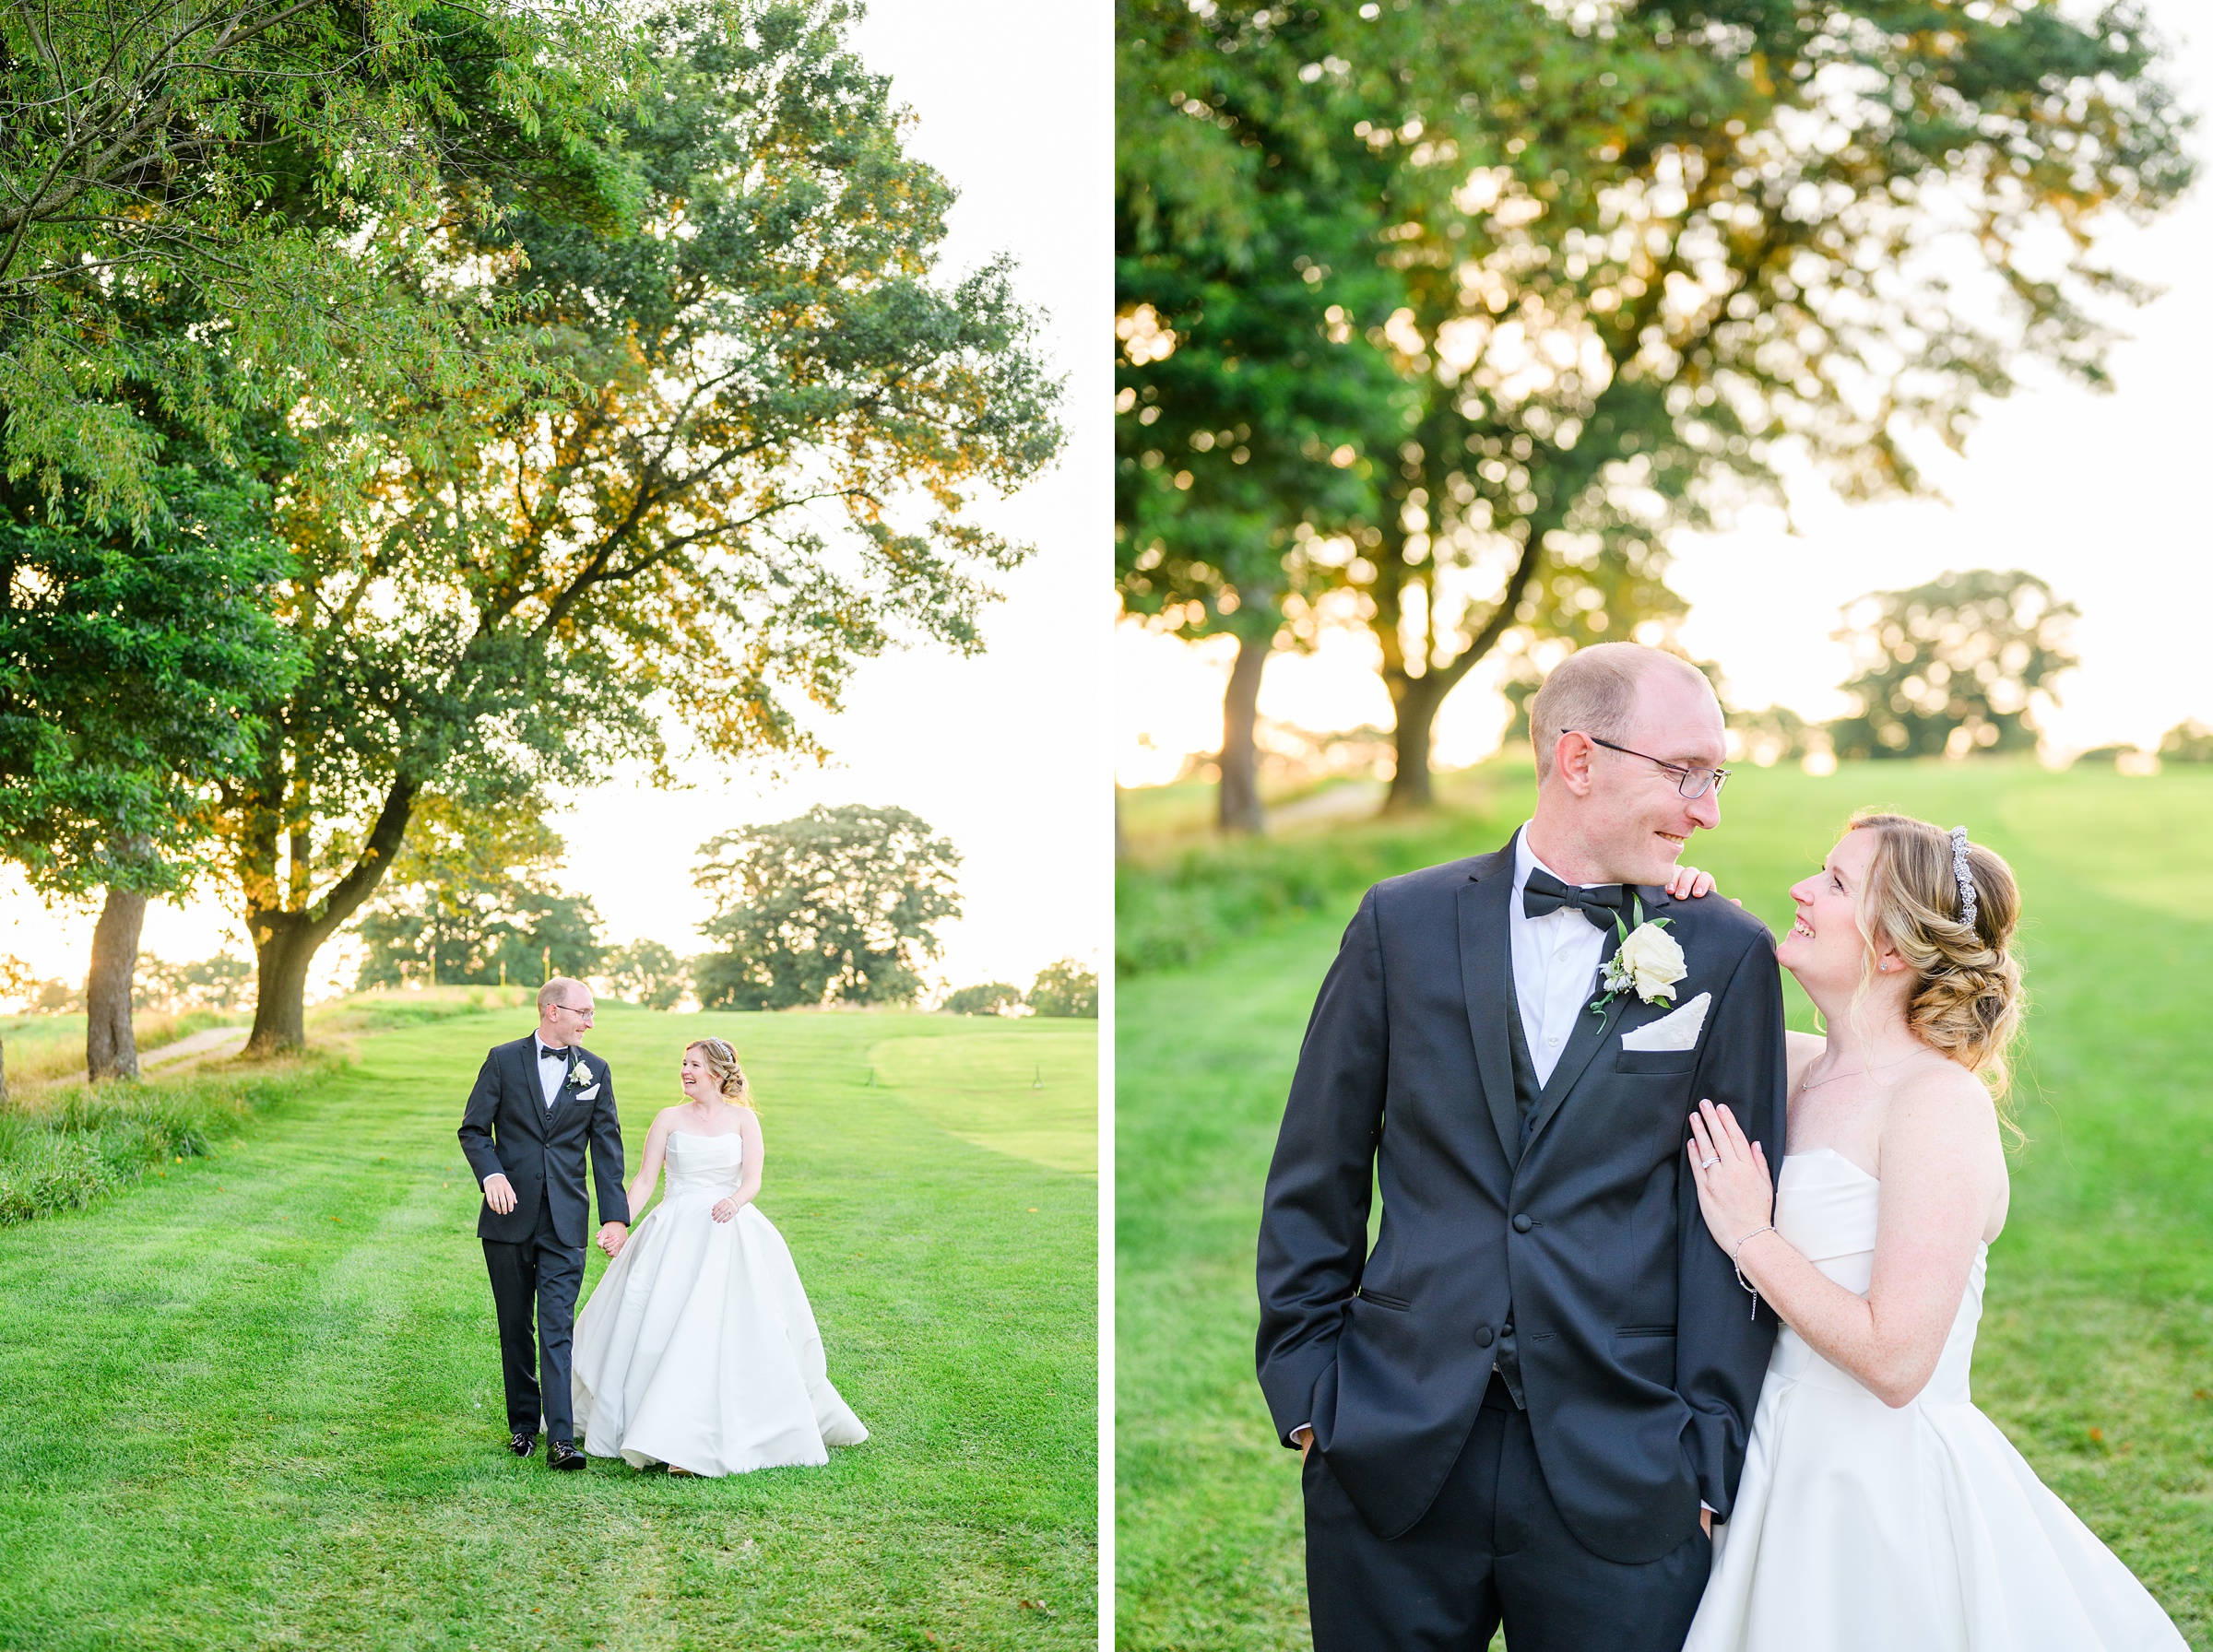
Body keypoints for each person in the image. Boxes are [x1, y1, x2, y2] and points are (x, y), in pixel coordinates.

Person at [1256, 642, 1789, 1652]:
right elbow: (1314, 1173)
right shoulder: (1398, 924)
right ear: (1579, 760)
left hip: (1627, 1462)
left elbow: (1735, 1227)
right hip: (1392, 1440)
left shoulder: (1725, 953)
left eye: (1716, 777)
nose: (1707, 808)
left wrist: (1705, 1455)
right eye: (1686, 773)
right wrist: (1311, 1394)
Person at [1680, 814, 2187, 1650]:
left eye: (1837, 884)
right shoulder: (1798, 1068)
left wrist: (1752, 1238)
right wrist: (1689, 919)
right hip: (1772, 1456)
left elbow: (1897, 1360)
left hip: (1877, 1491)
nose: (1803, 892)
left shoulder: (1935, 1105)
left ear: (1892, 949)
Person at [571, 1035, 867, 1476]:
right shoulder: (668, 1118)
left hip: (727, 1230)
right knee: (656, 1327)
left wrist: (735, 1202)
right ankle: (647, 1427)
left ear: (716, 1072)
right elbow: (645, 1180)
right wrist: (620, 1223)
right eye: (683, 1063)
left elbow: (752, 1179)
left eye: (693, 1064)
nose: (685, 1071)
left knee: (716, 1333)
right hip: (672, 1232)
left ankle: (698, 1439)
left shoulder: (744, 1121)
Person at [457, 977, 629, 1470]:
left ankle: (561, 1438)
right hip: (508, 1218)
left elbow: (608, 1150)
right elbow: (473, 1129)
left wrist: (614, 1216)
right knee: (515, 1326)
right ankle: (521, 1427)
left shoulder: (595, 1070)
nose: (590, 1022)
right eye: (584, 1012)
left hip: (565, 1220)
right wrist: (491, 1174)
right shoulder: (502, 1060)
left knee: (558, 1325)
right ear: (552, 1010)